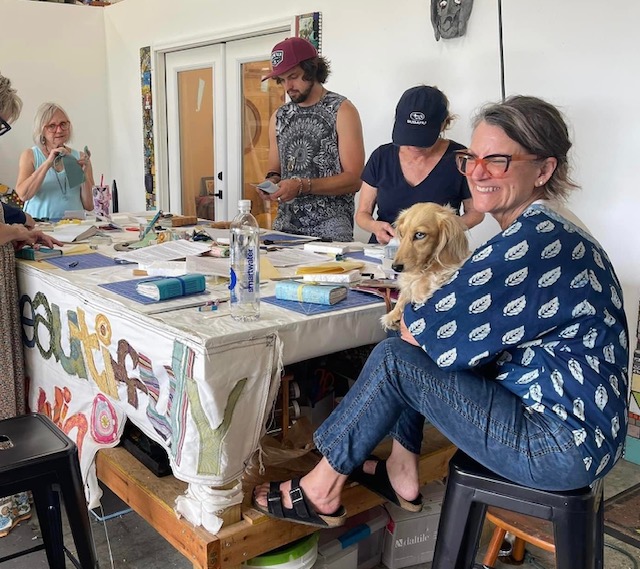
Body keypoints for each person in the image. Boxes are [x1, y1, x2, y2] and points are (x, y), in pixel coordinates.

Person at [253, 95, 629, 528]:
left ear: (543, 170)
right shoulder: (552, 226)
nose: (478, 172)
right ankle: (402, 468)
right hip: (581, 433)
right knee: (407, 347)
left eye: (499, 160)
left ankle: (322, 488)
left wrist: (418, 307)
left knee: (397, 356)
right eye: (472, 158)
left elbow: (422, 333)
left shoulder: (533, 241)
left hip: (559, 447)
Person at [0, 73, 63, 538]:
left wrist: (19, 222)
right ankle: (8, 493)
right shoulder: (31, 156)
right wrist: (20, 231)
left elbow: (7, 204)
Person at [259, 37, 365, 242]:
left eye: (294, 76)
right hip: (284, 230)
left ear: (313, 70)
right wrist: (271, 183)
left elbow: (355, 179)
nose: (288, 86)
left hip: (331, 235)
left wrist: (302, 186)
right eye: (282, 79)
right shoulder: (279, 117)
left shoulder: (342, 111)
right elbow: (275, 170)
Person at [356, 85, 483, 244]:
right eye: (408, 136)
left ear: (443, 125)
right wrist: (375, 227)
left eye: (422, 140)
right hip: (386, 249)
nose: (414, 146)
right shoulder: (381, 157)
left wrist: (441, 231)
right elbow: (362, 213)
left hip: (439, 253)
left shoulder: (460, 158)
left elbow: (476, 213)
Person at [16, 102, 94, 220]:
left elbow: (89, 206)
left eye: (63, 124)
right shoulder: (30, 155)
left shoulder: (79, 157)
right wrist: (48, 163)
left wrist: (83, 176)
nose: (59, 130)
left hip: (74, 227)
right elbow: (23, 195)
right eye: (52, 126)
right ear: (41, 130)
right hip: (39, 227)